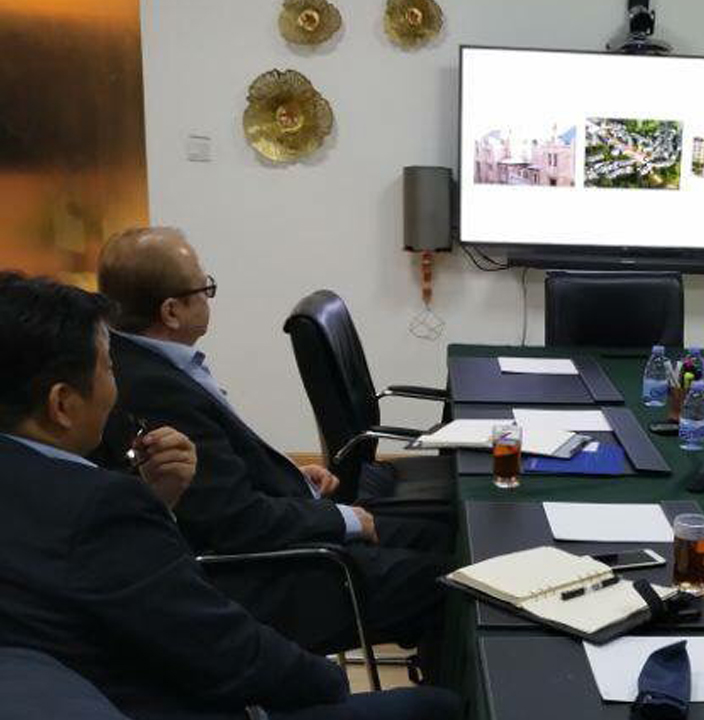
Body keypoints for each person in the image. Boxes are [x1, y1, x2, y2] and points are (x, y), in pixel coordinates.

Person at [0, 274, 456, 720]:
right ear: (62, 404)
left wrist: (157, 504)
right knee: (438, 718)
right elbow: (225, 652)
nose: (118, 385)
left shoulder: (52, 491)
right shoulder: (97, 508)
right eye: (108, 367)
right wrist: (330, 682)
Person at [95, 227, 449, 657]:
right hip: (267, 572)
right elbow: (237, 522)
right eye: (205, 288)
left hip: (282, 528)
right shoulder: (155, 389)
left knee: (446, 539)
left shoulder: (148, 363)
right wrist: (347, 520)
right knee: (449, 583)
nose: (209, 297)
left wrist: (292, 478)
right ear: (171, 311)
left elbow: (219, 479)